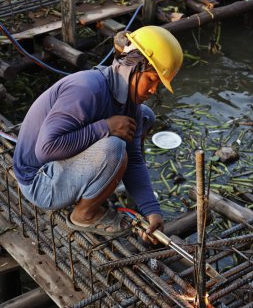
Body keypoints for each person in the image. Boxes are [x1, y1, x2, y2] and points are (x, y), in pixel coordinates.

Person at [13, 25, 183, 240]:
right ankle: (84, 214)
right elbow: (46, 150)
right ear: (132, 67)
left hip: (60, 168)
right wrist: (106, 127)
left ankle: (99, 184)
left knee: (145, 116)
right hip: (39, 181)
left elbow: (135, 160)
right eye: (151, 80)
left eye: (158, 85)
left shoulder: (130, 104)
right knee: (114, 148)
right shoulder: (86, 89)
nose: (152, 90)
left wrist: (151, 210)